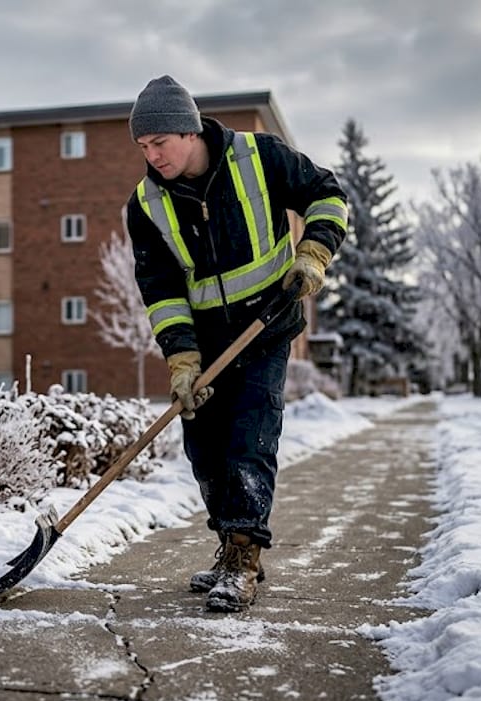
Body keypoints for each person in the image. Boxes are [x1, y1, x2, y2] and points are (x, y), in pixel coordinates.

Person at [123, 75, 348, 612]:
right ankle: (228, 545)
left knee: (250, 435)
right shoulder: (146, 205)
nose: (152, 156)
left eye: (159, 143)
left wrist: (313, 254)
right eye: (143, 148)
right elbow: (161, 289)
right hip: (206, 343)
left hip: (267, 327)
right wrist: (181, 358)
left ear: (190, 130)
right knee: (205, 450)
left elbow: (328, 194)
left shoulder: (259, 156)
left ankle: (245, 557)